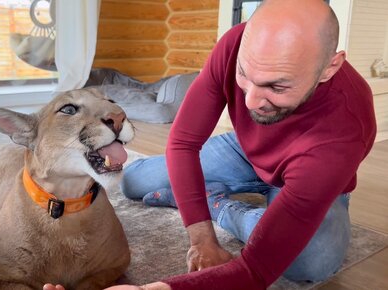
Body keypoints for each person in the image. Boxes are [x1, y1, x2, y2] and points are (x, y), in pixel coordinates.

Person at [44, 0, 377, 289]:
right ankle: (220, 197)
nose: (250, 102)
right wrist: (201, 238)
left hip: (310, 175)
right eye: (245, 75)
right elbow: (184, 143)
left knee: (310, 261)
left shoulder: (345, 130)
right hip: (245, 151)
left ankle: (220, 204)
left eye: (277, 87)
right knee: (133, 181)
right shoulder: (233, 45)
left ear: (329, 68)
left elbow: (255, 271)